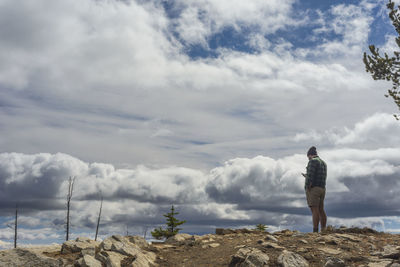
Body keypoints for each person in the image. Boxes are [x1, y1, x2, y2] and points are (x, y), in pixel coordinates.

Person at [302, 146, 327, 233]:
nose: (308, 159)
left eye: (308, 157)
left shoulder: (312, 161)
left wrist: (308, 185)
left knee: (314, 209)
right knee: (321, 209)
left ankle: (315, 231)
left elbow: (311, 176)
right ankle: (324, 229)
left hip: (314, 189)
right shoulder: (323, 163)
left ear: (310, 155)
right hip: (322, 188)